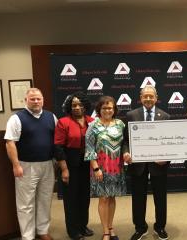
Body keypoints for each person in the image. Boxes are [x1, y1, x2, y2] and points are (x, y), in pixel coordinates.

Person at [4, 88, 56, 240]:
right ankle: (27, 236)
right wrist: (15, 165)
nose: (36, 101)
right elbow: (10, 143)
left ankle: (42, 231)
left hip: (47, 164)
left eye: (38, 99)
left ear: (43, 100)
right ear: (25, 100)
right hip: (25, 166)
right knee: (25, 203)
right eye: (32, 99)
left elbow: (56, 140)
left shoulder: (50, 116)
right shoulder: (16, 118)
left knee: (45, 199)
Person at [122, 85, 171, 240]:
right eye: (145, 96)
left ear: (156, 98)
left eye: (151, 96)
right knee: (138, 198)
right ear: (140, 98)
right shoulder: (131, 115)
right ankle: (140, 227)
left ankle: (160, 227)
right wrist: (126, 152)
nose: (148, 99)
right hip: (138, 164)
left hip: (159, 164)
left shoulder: (165, 116)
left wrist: (166, 158)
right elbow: (126, 140)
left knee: (160, 198)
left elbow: (170, 142)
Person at [84, 96, 126, 240]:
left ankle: (111, 226)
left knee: (112, 198)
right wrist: (96, 168)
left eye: (110, 108)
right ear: (99, 110)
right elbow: (89, 149)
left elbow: (125, 144)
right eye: (104, 108)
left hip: (116, 167)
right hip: (100, 168)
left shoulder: (120, 124)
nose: (108, 110)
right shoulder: (93, 125)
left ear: (114, 109)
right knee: (103, 199)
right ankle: (105, 232)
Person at [54, 92, 94, 240]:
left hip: (87, 165)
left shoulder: (91, 121)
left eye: (80, 105)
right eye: (74, 105)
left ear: (85, 106)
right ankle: (73, 231)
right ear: (70, 107)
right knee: (71, 199)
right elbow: (58, 147)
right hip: (69, 164)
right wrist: (64, 169)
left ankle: (83, 226)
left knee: (85, 198)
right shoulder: (63, 122)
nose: (77, 107)